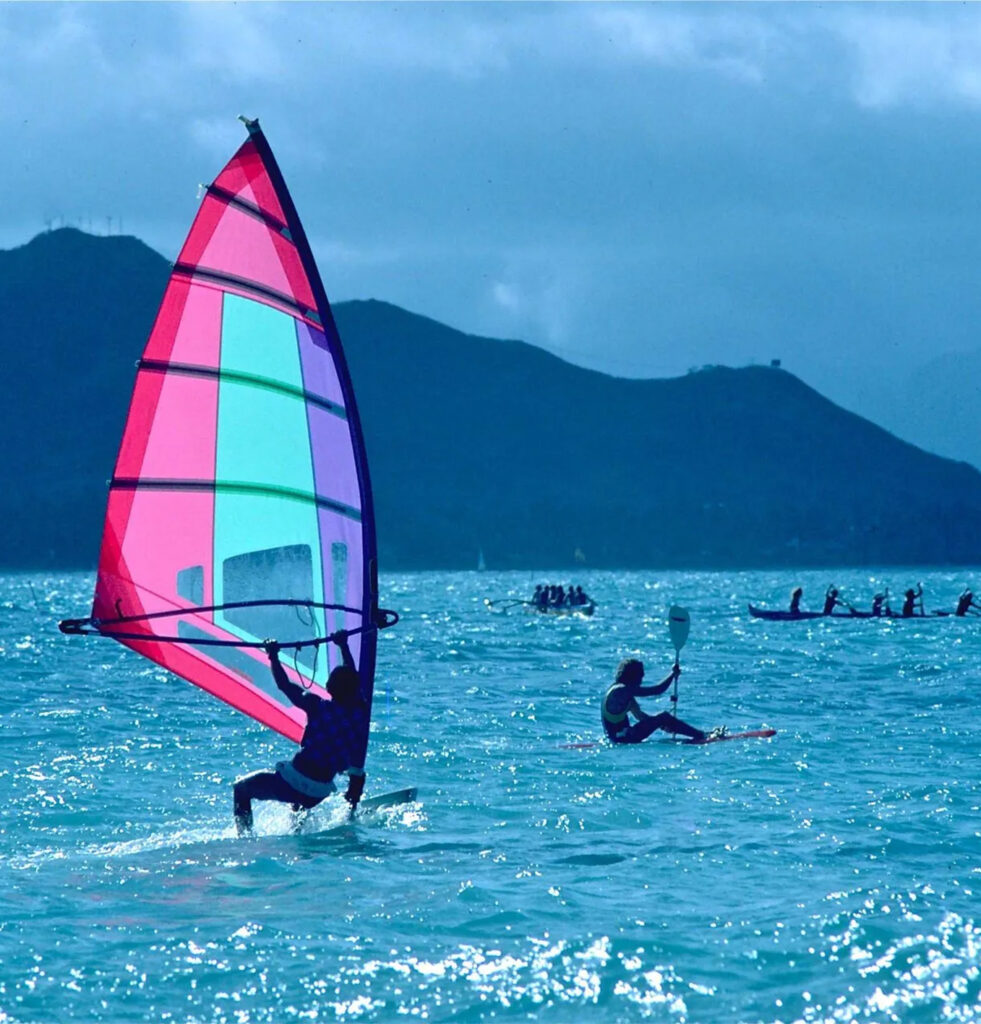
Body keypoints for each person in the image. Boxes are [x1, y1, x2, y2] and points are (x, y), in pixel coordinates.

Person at [233, 631, 368, 836]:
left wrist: (273, 656)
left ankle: (244, 838)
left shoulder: (316, 705)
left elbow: (284, 685)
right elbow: (352, 679)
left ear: (329, 687)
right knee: (300, 802)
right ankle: (297, 831)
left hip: (294, 782)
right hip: (319, 792)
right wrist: (343, 646)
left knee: (241, 788)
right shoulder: (359, 712)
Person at [601, 658, 713, 744]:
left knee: (663, 718)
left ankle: (699, 734)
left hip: (619, 738)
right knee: (663, 716)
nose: (641, 682)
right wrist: (672, 674)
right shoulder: (620, 691)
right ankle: (701, 735)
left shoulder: (624, 695)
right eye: (640, 678)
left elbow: (640, 716)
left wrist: (663, 725)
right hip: (623, 739)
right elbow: (657, 690)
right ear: (633, 677)